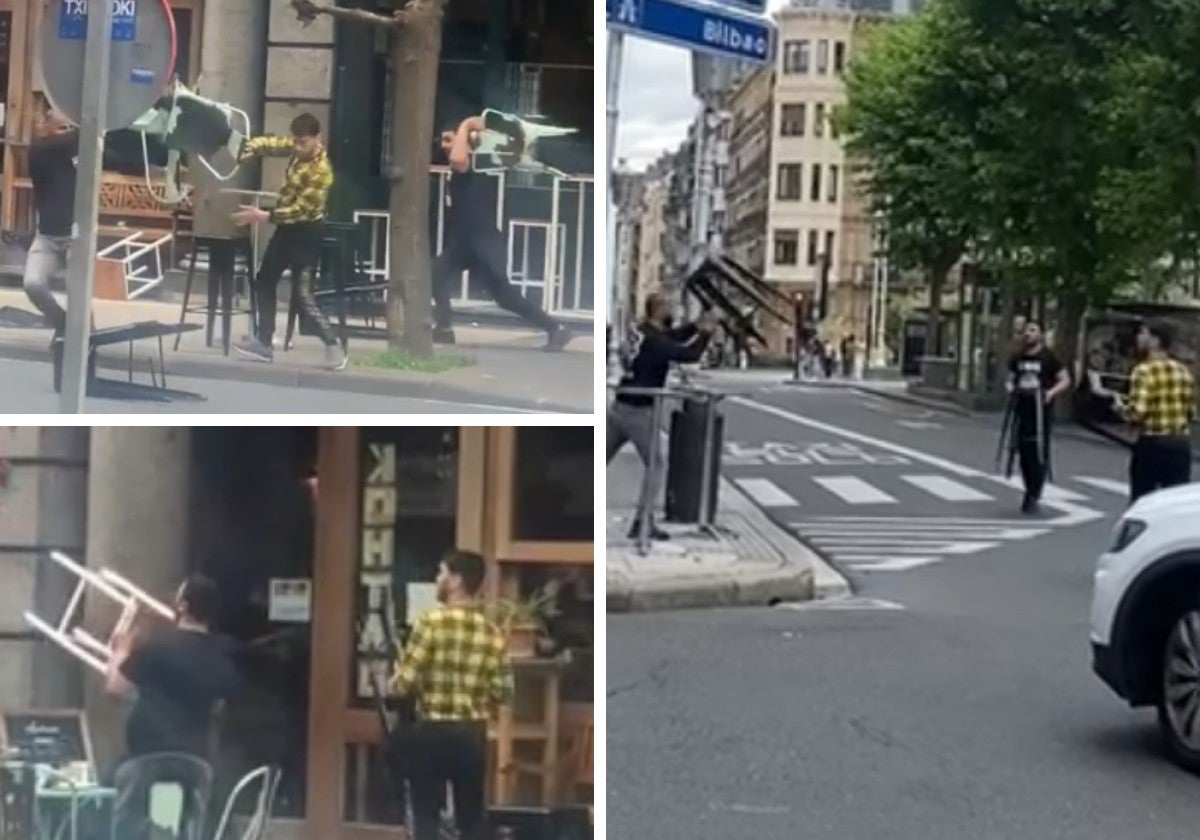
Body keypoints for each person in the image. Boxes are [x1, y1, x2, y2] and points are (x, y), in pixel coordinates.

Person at [392, 551, 513, 840]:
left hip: (432, 729)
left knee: (426, 817)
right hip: (471, 732)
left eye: (441, 572)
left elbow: (402, 684)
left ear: (456, 580)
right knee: (471, 818)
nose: (437, 579)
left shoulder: (429, 623)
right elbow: (504, 691)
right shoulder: (491, 631)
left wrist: (397, 677)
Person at [432, 116, 571, 351]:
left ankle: (556, 328)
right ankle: (444, 329)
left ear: (467, 143)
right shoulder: (461, 167)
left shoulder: (472, 163)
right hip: (463, 243)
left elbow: (458, 158)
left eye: (449, 140)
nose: (444, 146)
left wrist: (465, 125)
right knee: (437, 276)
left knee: (505, 296)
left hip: (483, 243)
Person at [232, 113, 346, 370]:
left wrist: (266, 216)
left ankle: (333, 344)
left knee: (303, 296)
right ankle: (264, 343)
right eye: (296, 141)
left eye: (303, 142)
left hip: (306, 232)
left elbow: (301, 210)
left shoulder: (321, 170)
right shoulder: (297, 147)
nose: (297, 147)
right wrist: (250, 148)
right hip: (286, 230)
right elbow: (273, 144)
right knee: (264, 280)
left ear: (317, 139)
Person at [607, 293, 716, 540]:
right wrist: (706, 334)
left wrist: (695, 326)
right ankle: (643, 522)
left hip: (619, 406)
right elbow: (688, 355)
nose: (674, 311)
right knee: (656, 465)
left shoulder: (642, 332)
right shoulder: (656, 342)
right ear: (659, 310)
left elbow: (671, 338)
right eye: (670, 307)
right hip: (639, 412)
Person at [1110, 321, 1196, 502]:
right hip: (1180, 445)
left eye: (1143, 333)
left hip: (1153, 444)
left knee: (1143, 501)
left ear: (1156, 340)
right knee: (1173, 502)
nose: (1138, 338)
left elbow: (1137, 412)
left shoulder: (1143, 371)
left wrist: (1120, 408)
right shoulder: (1183, 371)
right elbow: (1190, 410)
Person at [1005, 321, 1071, 514]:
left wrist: (1051, 393)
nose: (1028, 334)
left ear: (1040, 335)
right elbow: (1010, 378)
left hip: (1041, 412)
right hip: (1021, 410)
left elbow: (1065, 379)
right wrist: (1010, 388)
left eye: (1033, 330)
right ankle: (1029, 488)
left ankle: (1034, 494)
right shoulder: (1018, 357)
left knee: (1039, 453)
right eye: (1026, 330)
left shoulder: (1048, 357)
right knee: (1023, 453)